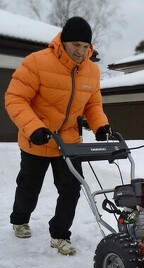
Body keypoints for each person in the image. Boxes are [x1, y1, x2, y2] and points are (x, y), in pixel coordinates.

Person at [5, 16, 112, 255]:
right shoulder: (36, 62)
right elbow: (15, 98)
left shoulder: (92, 71)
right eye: (76, 45)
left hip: (70, 142)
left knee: (72, 189)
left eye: (86, 47)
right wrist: (33, 127)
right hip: (38, 139)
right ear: (63, 41)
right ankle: (20, 219)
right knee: (29, 188)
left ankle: (60, 234)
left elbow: (92, 105)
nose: (81, 52)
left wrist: (100, 126)